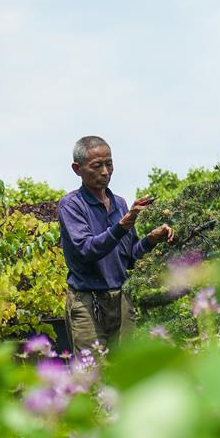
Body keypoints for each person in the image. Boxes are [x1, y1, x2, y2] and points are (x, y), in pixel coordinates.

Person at [57, 135, 174, 354]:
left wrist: (151, 239)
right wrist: (123, 225)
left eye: (109, 164)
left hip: (121, 299)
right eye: (97, 165)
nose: (105, 172)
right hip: (87, 302)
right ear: (77, 169)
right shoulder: (71, 205)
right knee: (92, 375)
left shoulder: (119, 203)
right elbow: (88, 250)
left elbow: (130, 258)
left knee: (125, 373)